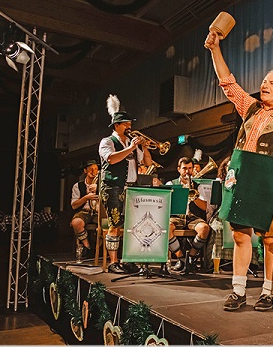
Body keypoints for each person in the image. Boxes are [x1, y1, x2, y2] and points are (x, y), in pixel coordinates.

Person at [205, 30, 273, 312]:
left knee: (269, 237)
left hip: (268, 176)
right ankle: (238, 291)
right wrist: (215, 49)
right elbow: (228, 83)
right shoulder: (249, 108)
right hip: (242, 175)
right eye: (264, 81)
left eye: (271, 82)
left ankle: (268, 292)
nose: (265, 84)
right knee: (240, 234)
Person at [99, 94, 153, 274]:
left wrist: (143, 146)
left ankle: (128, 259)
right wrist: (130, 148)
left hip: (132, 187)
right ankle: (113, 262)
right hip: (113, 186)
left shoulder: (132, 142)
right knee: (115, 224)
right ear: (117, 125)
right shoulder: (107, 141)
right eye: (126, 124)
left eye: (130, 124)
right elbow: (112, 160)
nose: (130, 127)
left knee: (132, 226)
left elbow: (147, 163)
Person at [165, 156, 211, 272]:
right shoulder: (171, 183)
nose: (187, 171)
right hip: (176, 217)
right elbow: (166, 203)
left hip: (192, 217)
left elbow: (204, 207)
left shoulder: (198, 185)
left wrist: (193, 195)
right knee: (167, 227)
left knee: (204, 228)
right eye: (184, 168)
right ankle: (181, 258)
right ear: (178, 169)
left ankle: (190, 257)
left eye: (190, 168)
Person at [69, 159, 99, 258]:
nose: (93, 172)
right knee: (76, 223)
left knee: (106, 224)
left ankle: (98, 249)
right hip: (84, 211)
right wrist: (86, 197)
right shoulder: (78, 186)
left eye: (95, 169)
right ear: (85, 171)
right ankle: (87, 246)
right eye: (90, 169)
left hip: (98, 212)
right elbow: (74, 205)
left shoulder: (102, 186)